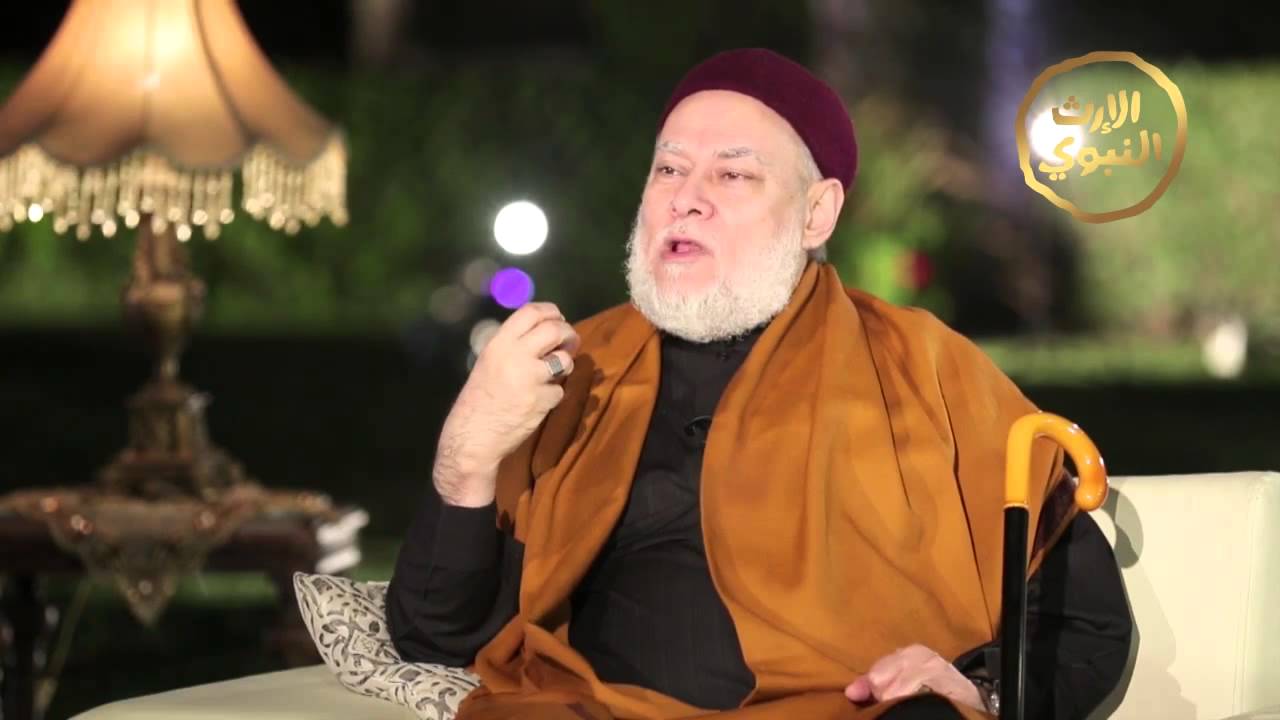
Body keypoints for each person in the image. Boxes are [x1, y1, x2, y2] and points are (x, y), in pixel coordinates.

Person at [388, 48, 1132, 720]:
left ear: (817, 214)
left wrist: (983, 687)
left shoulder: (922, 368)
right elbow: (435, 634)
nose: (686, 198)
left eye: (733, 174)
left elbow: (1083, 626)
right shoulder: (576, 366)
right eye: (669, 169)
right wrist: (468, 452)